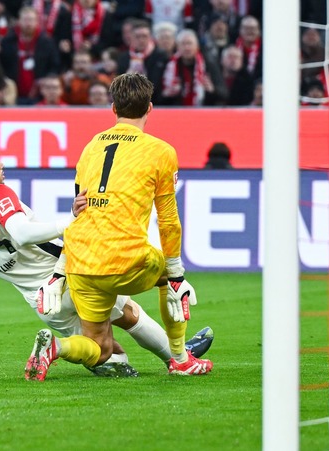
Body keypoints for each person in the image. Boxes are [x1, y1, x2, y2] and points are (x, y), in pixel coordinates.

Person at [0, 139, 214, 376]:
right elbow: (21, 234)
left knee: (110, 355)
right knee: (129, 313)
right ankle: (179, 358)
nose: (0, 163)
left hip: (39, 300)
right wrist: (69, 224)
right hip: (65, 277)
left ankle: (60, 348)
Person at [25, 73, 213, 381]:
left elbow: (80, 213)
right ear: (150, 108)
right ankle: (180, 358)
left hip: (83, 265)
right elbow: (168, 219)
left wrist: (59, 275)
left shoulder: (90, 148)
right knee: (169, 279)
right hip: (127, 260)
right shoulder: (161, 151)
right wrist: (177, 274)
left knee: (99, 347)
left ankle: (55, 348)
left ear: (113, 108)